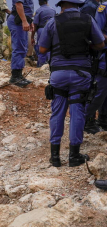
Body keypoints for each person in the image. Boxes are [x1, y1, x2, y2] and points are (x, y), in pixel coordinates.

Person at [39, 0, 104, 167]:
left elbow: (42, 49)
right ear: (78, 5)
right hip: (80, 75)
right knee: (77, 111)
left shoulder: (53, 22)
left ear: (61, 5)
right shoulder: (88, 20)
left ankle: (55, 157)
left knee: (57, 112)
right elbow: (100, 44)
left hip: (58, 75)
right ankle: (74, 156)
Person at [84, 2, 107, 134]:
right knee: (99, 90)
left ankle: (104, 119)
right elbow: (97, 33)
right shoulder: (104, 8)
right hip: (103, 56)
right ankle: (86, 119)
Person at [7, 0, 34, 87]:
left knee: (22, 48)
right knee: (19, 48)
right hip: (17, 21)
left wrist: (29, 21)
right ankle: (15, 77)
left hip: (21, 20)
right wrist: (24, 21)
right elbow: (18, 4)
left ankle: (19, 76)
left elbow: (27, 8)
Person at [31, 0, 55, 67]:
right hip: (52, 30)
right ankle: (50, 64)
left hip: (42, 29)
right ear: (46, 2)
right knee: (50, 48)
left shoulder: (39, 10)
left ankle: (41, 65)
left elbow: (35, 24)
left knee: (41, 47)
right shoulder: (53, 9)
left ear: (39, 2)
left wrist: (32, 37)